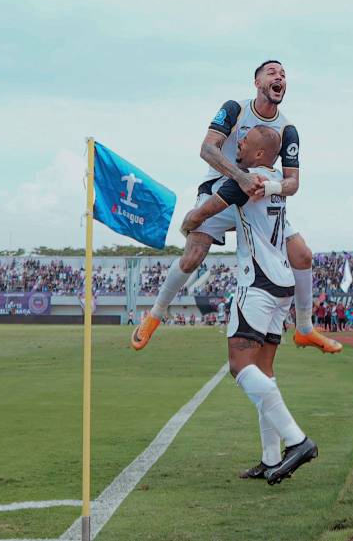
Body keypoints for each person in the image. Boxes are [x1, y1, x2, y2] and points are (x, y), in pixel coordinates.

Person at [132, 60, 341, 354]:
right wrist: (240, 178)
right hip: (222, 186)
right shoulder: (235, 109)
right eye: (272, 72)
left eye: (283, 74)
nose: (279, 76)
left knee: (303, 255)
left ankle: (305, 329)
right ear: (257, 83)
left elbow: (293, 183)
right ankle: (154, 314)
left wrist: (265, 186)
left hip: (258, 193)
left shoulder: (287, 129)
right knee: (192, 256)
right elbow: (207, 148)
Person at [180, 125, 316, 484]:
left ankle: (297, 440)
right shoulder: (274, 181)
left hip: (256, 282)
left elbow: (201, 215)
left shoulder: (245, 181)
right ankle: (271, 458)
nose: (237, 142)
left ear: (258, 154)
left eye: (245, 140)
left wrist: (187, 222)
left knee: (240, 368)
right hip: (283, 283)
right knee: (265, 372)